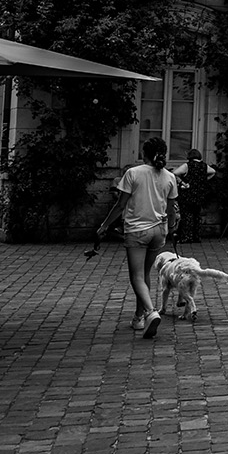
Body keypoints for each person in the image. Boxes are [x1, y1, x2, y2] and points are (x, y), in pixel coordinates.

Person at [94, 137, 180, 339]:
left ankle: (151, 312)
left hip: (137, 230)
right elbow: (171, 210)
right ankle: (138, 317)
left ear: (144, 153)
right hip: (159, 231)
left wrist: (105, 225)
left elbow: (120, 205)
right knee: (146, 274)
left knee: (137, 276)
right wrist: (173, 227)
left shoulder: (133, 173)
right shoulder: (169, 177)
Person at [172, 149, 215, 243]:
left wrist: (182, 182)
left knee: (187, 215)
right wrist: (204, 179)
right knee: (197, 215)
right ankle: (197, 236)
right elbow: (213, 172)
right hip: (199, 194)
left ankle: (186, 237)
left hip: (187, 194)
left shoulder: (187, 166)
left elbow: (175, 173)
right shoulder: (204, 166)